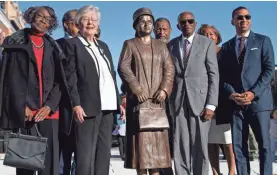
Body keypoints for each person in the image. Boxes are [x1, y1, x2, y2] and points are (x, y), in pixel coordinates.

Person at [0, 6, 67, 175]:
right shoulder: (15, 42)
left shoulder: (54, 47)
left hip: (50, 114)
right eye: (40, 16)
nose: (43, 20)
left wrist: (49, 106)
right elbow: (8, 79)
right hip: (25, 113)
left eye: (48, 19)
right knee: (25, 166)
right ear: (31, 17)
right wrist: (21, 106)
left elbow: (60, 82)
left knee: (50, 167)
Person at [61, 5, 120, 175]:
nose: (90, 22)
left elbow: (111, 75)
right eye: (86, 19)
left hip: (108, 107)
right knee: (85, 156)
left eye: (94, 20)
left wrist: (118, 101)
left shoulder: (104, 46)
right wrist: (75, 104)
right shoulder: (71, 44)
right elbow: (69, 77)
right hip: (87, 107)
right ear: (78, 23)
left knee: (103, 155)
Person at [118, 7, 175, 175]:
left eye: (150, 22)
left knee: (158, 151)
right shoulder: (130, 44)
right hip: (139, 103)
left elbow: (169, 68)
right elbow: (123, 67)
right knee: (141, 151)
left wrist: (164, 89)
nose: (147, 25)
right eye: (142, 22)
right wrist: (136, 87)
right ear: (135, 25)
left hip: (157, 103)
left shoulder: (160, 45)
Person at [219, 6, 275, 175]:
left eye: (247, 17)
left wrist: (253, 93)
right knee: (239, 146)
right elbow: (222, 76)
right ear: (232, 21)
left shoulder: (263, 41)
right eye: (239, 17)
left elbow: (269, 70)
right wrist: (232, 94)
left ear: (250, 20)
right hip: (237, 105)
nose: (243, 20)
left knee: (264, 144)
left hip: (259, 103)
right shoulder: (227, 46)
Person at [167, 11, 219, 175]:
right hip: (178, 101)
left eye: (190, 21)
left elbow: (213, 74)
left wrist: (211, 104)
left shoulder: (206, 43)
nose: (187, 24)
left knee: (200, 145)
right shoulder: (172, 45)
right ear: (178, 26)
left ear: (195, 24)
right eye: (183, 22)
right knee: (180, 144)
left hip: (201, 102)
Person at [198, 24, 236, 175]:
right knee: (211, 142)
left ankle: (232, 171)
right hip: (206, 103)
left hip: (225, 102)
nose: (209, 36)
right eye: (205, 34)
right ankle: (215, 172)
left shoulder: (225, 53)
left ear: (217, 37)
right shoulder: (199, 55)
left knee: (228, 141)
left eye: (212, 34)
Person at [56, 9, 78, 175]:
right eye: (75, 21)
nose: (80, 24)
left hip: (86, 109)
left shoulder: (89, 46)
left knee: (82, 156)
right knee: (63, 155)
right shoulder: (56, 45)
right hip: (63, 108)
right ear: (66, 24)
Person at [153, 17, 174, 175]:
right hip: (154, 101)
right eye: (158, 29)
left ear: (170, 31)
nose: (161, 32)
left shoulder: (176, 47)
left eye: (164, 29)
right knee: (158, 141)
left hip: (176, 101)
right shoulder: (148, 47)